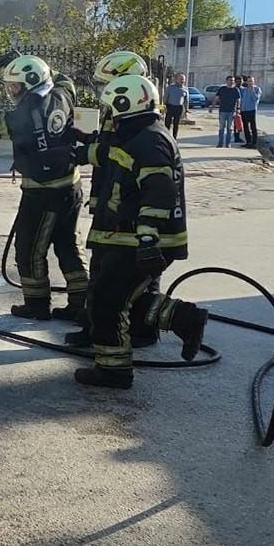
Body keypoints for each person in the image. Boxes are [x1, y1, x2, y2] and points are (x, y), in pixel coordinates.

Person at [70, 74, 211, 389]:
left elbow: (159, 190)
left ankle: (114, 371)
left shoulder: (150, 140)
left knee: (108, 301)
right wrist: (75, 151)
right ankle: (184, 318)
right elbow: (108, 155)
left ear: (125, 103)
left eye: (110, 108)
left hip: (141, 240)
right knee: (117, 297)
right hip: (126, 237)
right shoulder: (134, 134)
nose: (108, 115)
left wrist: (148, 239)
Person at [0, 55, 88, 320]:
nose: (13, 91)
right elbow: (63, 78)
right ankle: (81, 304)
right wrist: (28, 61)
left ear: (30, 83)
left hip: (43, 192)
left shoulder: (27, 112)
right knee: (67, 244)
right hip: (70, 186)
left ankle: (37, 305)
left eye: (15, 86)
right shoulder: (63, 93)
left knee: (29, 249)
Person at [64, 50, 160, 349]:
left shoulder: (138, 116)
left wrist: (84, 151)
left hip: (124, 208)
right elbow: (106, 148)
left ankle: (142, 330)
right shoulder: (118, 112)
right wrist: (83, 141)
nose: (103, 90)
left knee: (133, 280)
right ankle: (92, 325)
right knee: (101, 269)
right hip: (109, 200)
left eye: (108, 82)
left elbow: (114, 154)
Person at [215, 75, 240, 148]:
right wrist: (212, 107)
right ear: (226, 81)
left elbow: (238, 99)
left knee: (230, 128)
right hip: (222, 111)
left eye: (232, 80)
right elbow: (216, 98)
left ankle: (228, 143)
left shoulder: (235, 90)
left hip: (231, 111)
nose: (231, 82)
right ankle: (220, 143)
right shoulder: (222, 89)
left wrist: (238, 108)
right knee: (221, 127)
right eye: (230, 80)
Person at [240, 76, 262, 149]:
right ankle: (248, 142)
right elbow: (242, 100)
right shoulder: (244, 89)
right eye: (248, 81)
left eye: (251, 81)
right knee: (245, 127)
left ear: (253, 82)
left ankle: (254, 143)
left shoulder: (257, 89)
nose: (250, 83)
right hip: (244, 110)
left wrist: (252, 91)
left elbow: (255, 99)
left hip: (251, 110)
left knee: (253, 127)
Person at [164, 73, 189, 138]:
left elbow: (186, 101)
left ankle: (174, 138)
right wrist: (164, 107)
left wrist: (186, 110)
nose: (182, 81)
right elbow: (165, 98)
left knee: (176, 123)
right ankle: (166, 137)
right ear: (176, 79)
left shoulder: (185, 89)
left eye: (183, 79)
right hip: (170, 107)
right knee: (167, 123)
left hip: (179, 108)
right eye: (180, 79)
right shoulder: (170, 88)